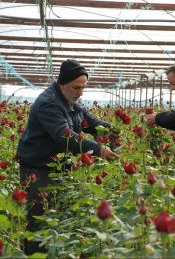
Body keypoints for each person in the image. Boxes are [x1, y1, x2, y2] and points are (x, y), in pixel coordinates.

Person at [17, 59, 118, 255]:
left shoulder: (69, 99)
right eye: (76, 87)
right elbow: (65, 135)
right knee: (38, 220)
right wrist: (99, 149)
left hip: (57, 166)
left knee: (54, 215)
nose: (80, 92)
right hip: (37, 168)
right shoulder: (49, 103)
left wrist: (111, 129)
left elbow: (87, 120)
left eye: (83, 87)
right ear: (62, 84)